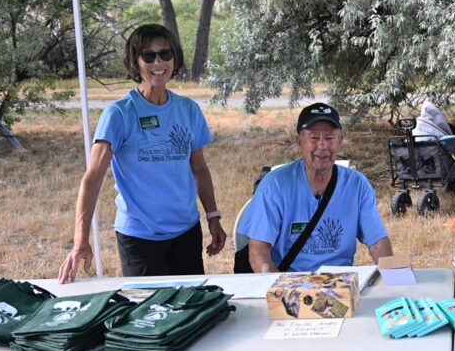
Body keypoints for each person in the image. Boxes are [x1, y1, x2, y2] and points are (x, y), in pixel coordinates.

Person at [58, 24, 227, 283]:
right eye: (148, 56)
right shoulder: (119, 113)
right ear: (135, 63)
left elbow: (199, 168)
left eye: (165, 54)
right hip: (139, 237)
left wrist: (213, 216)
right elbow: (92, 178)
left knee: (191, 303)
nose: (158, 62)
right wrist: (80, 241)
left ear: (175, 59)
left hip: (186, 231)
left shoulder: (188, 109)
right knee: (150, 307)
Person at [240, 102, 393, 272]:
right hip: (288, 281)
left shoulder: (357, 185)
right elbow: (258, 251)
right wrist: (279, 286)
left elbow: (377, 242)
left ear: (340, 141)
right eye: (314, 138)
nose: (322, 146)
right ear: (299, 141)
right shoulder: (274, 185)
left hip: (340, 282)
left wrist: (393, 277)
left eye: (329, 138)